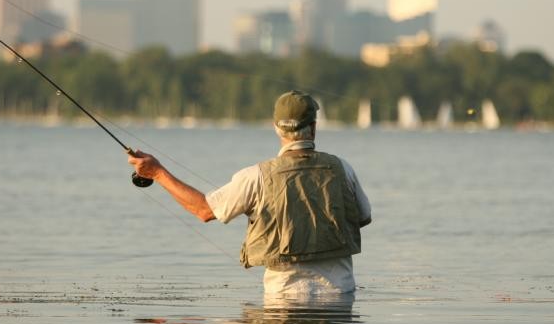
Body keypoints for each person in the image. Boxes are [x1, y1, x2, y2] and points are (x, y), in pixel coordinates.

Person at [127, 90, 372, 295]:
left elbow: (204, 210)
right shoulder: (343, 169)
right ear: (314, 128)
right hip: (341, 298)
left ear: (277, 129)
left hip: (282, 300)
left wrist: (158, 173)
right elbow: (363, 217)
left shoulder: (256, 176)